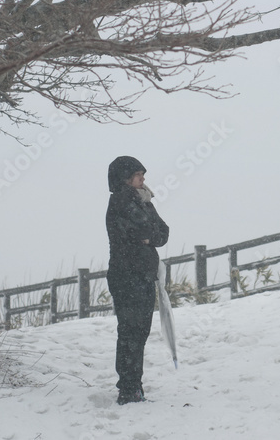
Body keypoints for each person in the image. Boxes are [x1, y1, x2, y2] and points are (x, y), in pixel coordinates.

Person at [105, 156, 169, 405]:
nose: (143, 179)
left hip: (142, 275)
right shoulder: (122, 200)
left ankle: (134, 386)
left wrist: (149, 237)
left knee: (139, 332)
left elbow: (163, 232)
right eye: (138, 175)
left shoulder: (143, 200)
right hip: (126, 276)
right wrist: (148, 235)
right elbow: (143, 230)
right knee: (131, 331)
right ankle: (128, 388)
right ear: (125, 178)